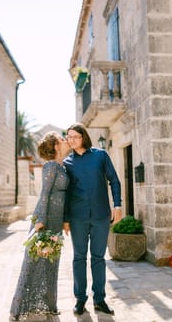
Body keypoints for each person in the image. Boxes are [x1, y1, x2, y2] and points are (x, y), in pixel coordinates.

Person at [10, 131, 70, 321]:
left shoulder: (63, 167)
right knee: (33, 262)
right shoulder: (51, 166)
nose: (65, 140)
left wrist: (63, 221)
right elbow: (44, 194)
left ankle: (48, 307)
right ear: (55, 146)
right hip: (44, 220)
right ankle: (20, 309)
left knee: (51, 263)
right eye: (61, 139)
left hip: (56, 221)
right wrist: (40, 221)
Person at [63, 123, 122, 316]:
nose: (71, 139)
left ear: (83, 137)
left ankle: (100, 299)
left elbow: (114, 180)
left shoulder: (100, 155)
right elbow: (65, 193)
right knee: (79, 258)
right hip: (77, 218)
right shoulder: (67, 163)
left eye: (75, 136)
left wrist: (118, 205)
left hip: (101, 216)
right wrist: (65, 219)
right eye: (68, 136)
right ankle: (80, 299)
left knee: (98, 258)